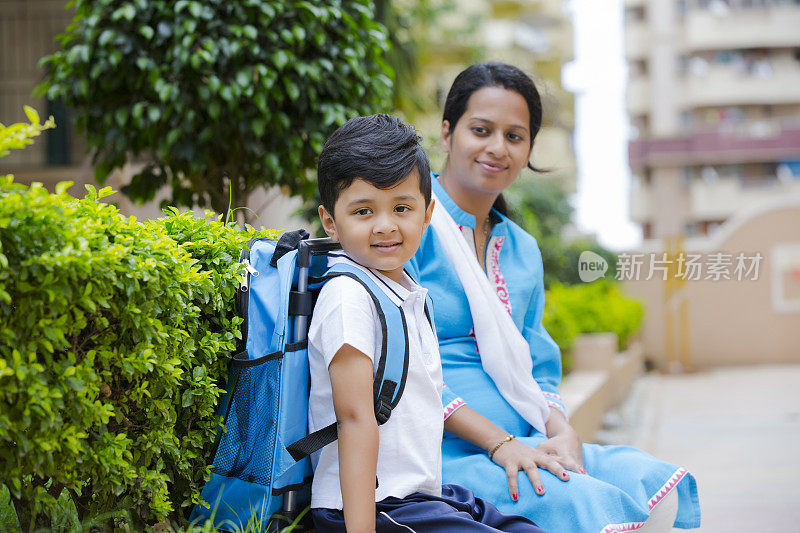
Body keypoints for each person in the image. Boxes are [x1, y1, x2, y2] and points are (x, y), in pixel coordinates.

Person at [406, 63, 702, 532]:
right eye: (481, 130)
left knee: (647, 479)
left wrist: (562, 432)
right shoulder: (408, 230)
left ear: (528, 150)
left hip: (530, 434)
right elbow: (405, 371)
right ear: (447, 133)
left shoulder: (522, 249)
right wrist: (502, 443)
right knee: (584, 503)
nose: (497, 148)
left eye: (515, 136)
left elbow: (539, 363)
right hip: (446, 455)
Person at [309, 113, 546, 532]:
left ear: (427, 212)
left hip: (422, 496)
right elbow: (354, 419)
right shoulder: (348, 298)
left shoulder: (405, 290)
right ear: (331, 222)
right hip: (375, 507)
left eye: (402, 207)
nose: (386, 226)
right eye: (363, 211)